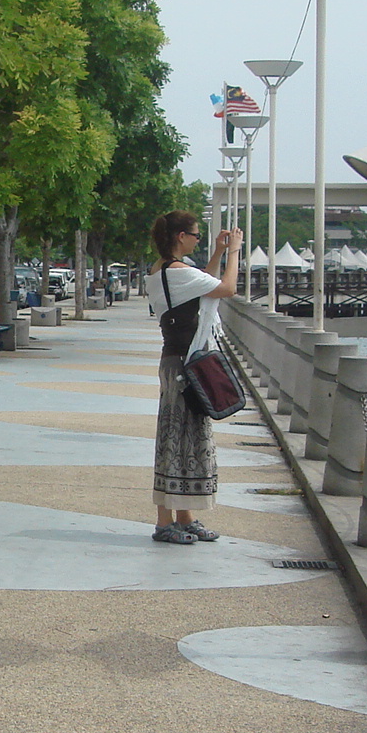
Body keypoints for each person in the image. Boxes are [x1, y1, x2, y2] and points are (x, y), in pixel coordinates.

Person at [150, 211, 241, 545]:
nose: (197, 241)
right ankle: (164, 522)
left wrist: (217, 252)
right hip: (183, 367)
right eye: (196, 236)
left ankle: (184, 516)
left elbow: (202, 283)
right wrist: (234, 252)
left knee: (182, 438)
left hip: (178, 362)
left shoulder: (163, 270)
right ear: (181, 237)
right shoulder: (175, 271)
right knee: (176, 439)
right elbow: (226, 288)